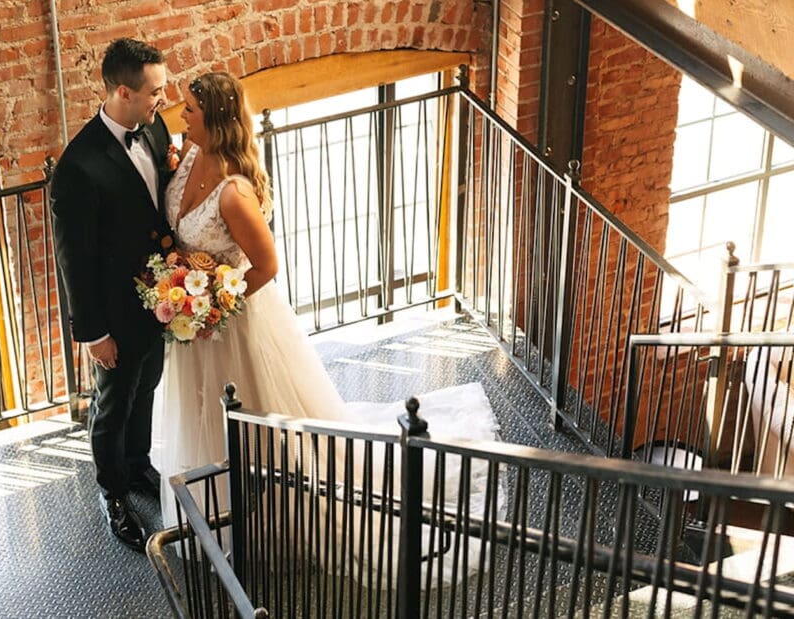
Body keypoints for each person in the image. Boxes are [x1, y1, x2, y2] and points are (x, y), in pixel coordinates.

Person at [158, 72, 502, 578]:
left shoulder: (234, 193)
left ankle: (269, 518)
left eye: (189, 108)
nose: (181, 114)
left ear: (214, 119)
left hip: (231, 321)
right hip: (195, 318)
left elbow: (267, 265)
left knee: (254, 420)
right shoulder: (187, 153)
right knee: (204, 417)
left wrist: (214, 307)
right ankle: (219, 512)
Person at [50, 38, 175, 552]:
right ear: (123, 91)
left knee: (147, 387)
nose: (163, 100)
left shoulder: (156, 127)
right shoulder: (77, 168)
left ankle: (139, 464)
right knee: (112, 405)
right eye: (155, 92)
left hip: (159, 302)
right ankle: (113, 493)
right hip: (115, 314)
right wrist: (94, 334)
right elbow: (73, 261)